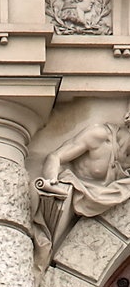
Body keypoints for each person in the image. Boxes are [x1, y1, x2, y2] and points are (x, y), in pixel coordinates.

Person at [32, 111, 130, 274]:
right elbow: (55, 157)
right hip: (71, 194)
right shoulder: (99, 135)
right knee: (45, 251)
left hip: (101, 201)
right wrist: (51, 182)